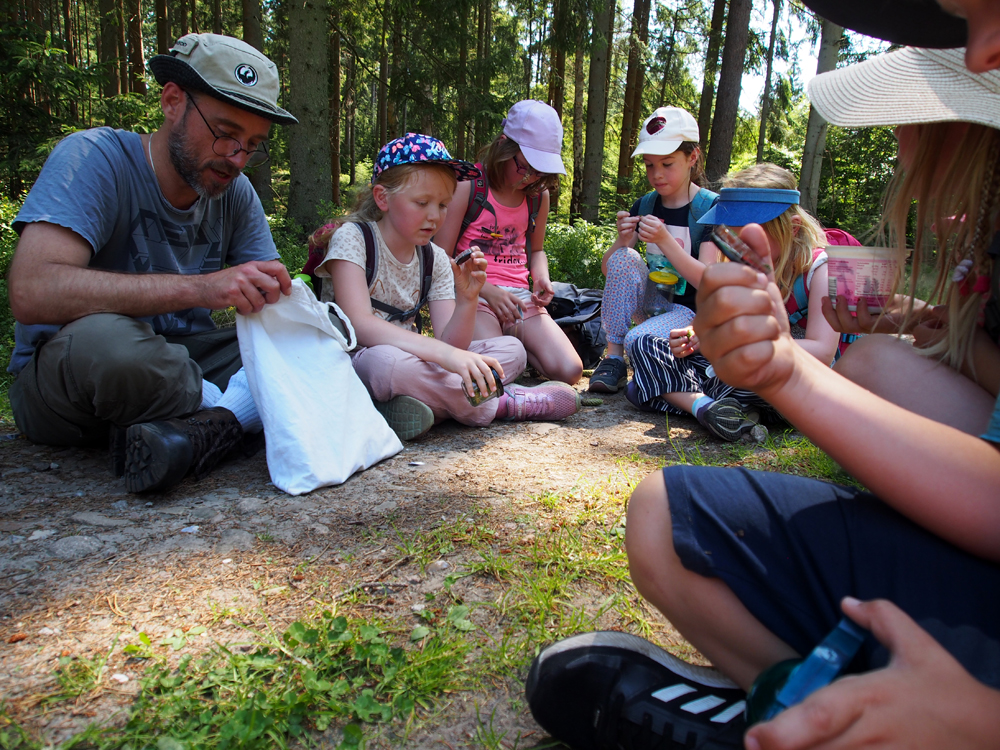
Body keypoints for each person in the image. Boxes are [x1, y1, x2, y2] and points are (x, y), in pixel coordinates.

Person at [527, 46, 1000, 750]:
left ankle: (798, 707)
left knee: (671, 494)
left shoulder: (761, 233)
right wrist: (929, 326)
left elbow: (714, 292)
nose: (898, 138)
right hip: (706, 342)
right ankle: (811, 698)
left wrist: (782, 369)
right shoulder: (977, 243)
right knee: (671, 492)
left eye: (910, 113)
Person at [7, 33, 297, 494]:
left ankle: (196, 431)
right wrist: (203, 289)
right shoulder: (94, 157)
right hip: (73, 378)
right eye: (224, 133)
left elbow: (276, 317)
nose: (237, 158)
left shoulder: (236, 193)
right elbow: (32, 290)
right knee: (113, 345)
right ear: (172, 101)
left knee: (304, 346)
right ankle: (238, 416)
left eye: (253, 143)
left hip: (183, 361)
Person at [312, 133, 580, 442]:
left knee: (511, 349)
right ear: (382, 198)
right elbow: (359, 325)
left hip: (415, 360)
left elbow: (451, 341)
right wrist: (447, 356)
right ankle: (502, 403)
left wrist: (467, 300)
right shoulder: (353, 239)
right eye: (422, 203)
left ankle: (415, 405)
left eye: (442, 205)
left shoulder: (435, 257)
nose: (434, 216)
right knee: (385, 363)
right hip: (360, 360)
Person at [623, 164, 844, 442]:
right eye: (731, 236)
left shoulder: (820, 269)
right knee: (645, 343)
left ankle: (680, 396)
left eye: (746, 237)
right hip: (735, 371)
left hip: (791, 379)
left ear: (792, 228)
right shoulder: (742, 265)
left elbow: (822, 352)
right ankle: (710, 408)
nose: (737, 246)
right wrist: (697, 336)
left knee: (647, 387)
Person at [434, 100, 584, 386]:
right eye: (525, 167)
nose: (531, 178)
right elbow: (440, 255)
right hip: (473, 295)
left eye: (540, 171)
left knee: (570, 370)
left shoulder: (538, 196)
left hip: (519, 299)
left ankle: (522, 349)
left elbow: (536, 249)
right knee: (496, 365)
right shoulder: (469, 185)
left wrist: (542, 277)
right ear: (504, 146)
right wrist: (487, 291)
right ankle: (512, 359)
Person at [586, 106, 719, 396]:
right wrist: (622, 241)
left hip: (690, 313)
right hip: (651, 304)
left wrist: (666, 240)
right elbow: (611, 269)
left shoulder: (710, 209)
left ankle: (665, 368)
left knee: (640, 339)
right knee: (626, 258)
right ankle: (613, 358)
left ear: (692, 157)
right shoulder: (644, 205)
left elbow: (709, 282)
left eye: (667, 164)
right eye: (649, 165)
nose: (657, 175)